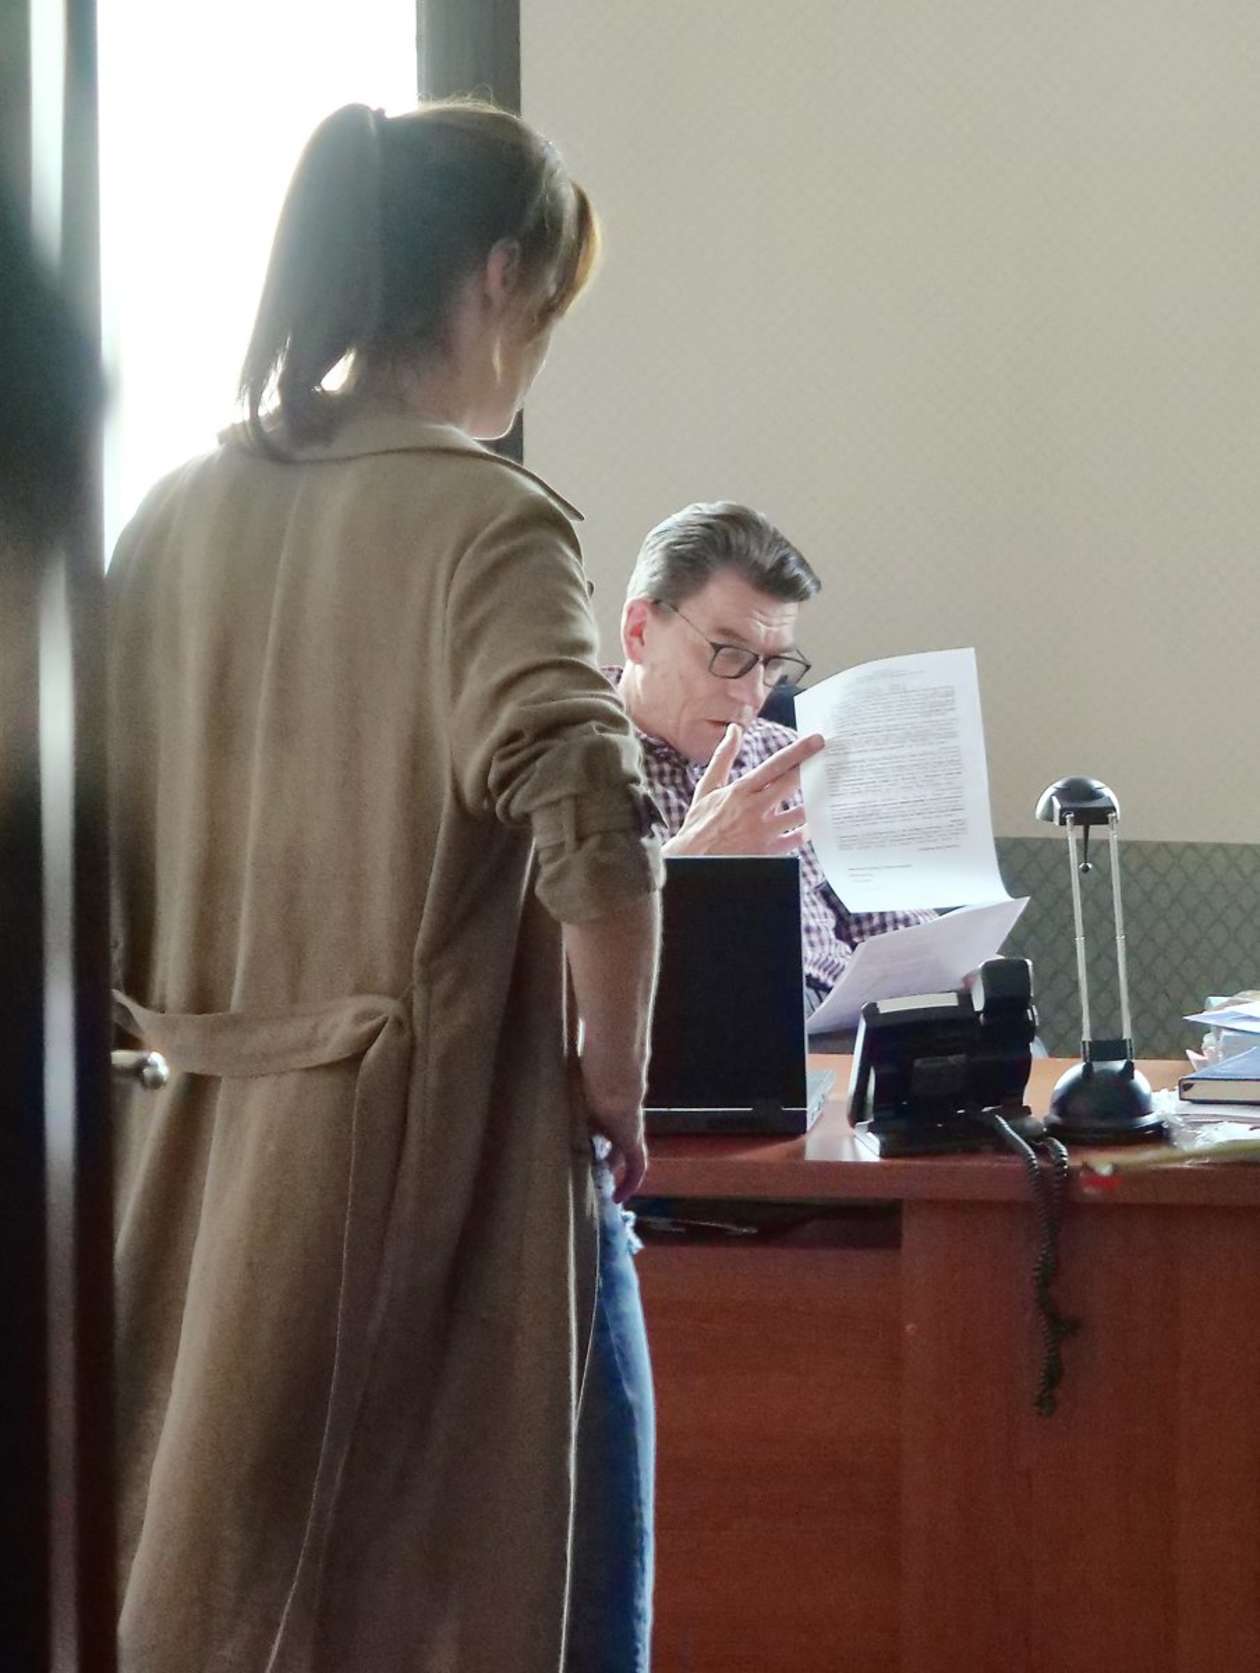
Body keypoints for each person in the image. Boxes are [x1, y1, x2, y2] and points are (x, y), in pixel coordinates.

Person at [108, 101, 663, 1673]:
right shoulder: (482, 517)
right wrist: (614, 1073)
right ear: (498, 277)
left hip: (186, 1167)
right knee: (527, 1585)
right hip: (425, 1160)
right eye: (548, 309)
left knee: (216, 1585)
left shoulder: (170, 514)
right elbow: (590, 803)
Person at [612, 502, 935, 1013]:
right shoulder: (551, 759)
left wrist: (954, 965)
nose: (752, 694)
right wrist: (689, 865)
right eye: (728, 654)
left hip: (838, 1031)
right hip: (696, 1039)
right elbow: (542, 984)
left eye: (772, 664)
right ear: (639, 633)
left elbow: (894, 933)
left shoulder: (786, 755)